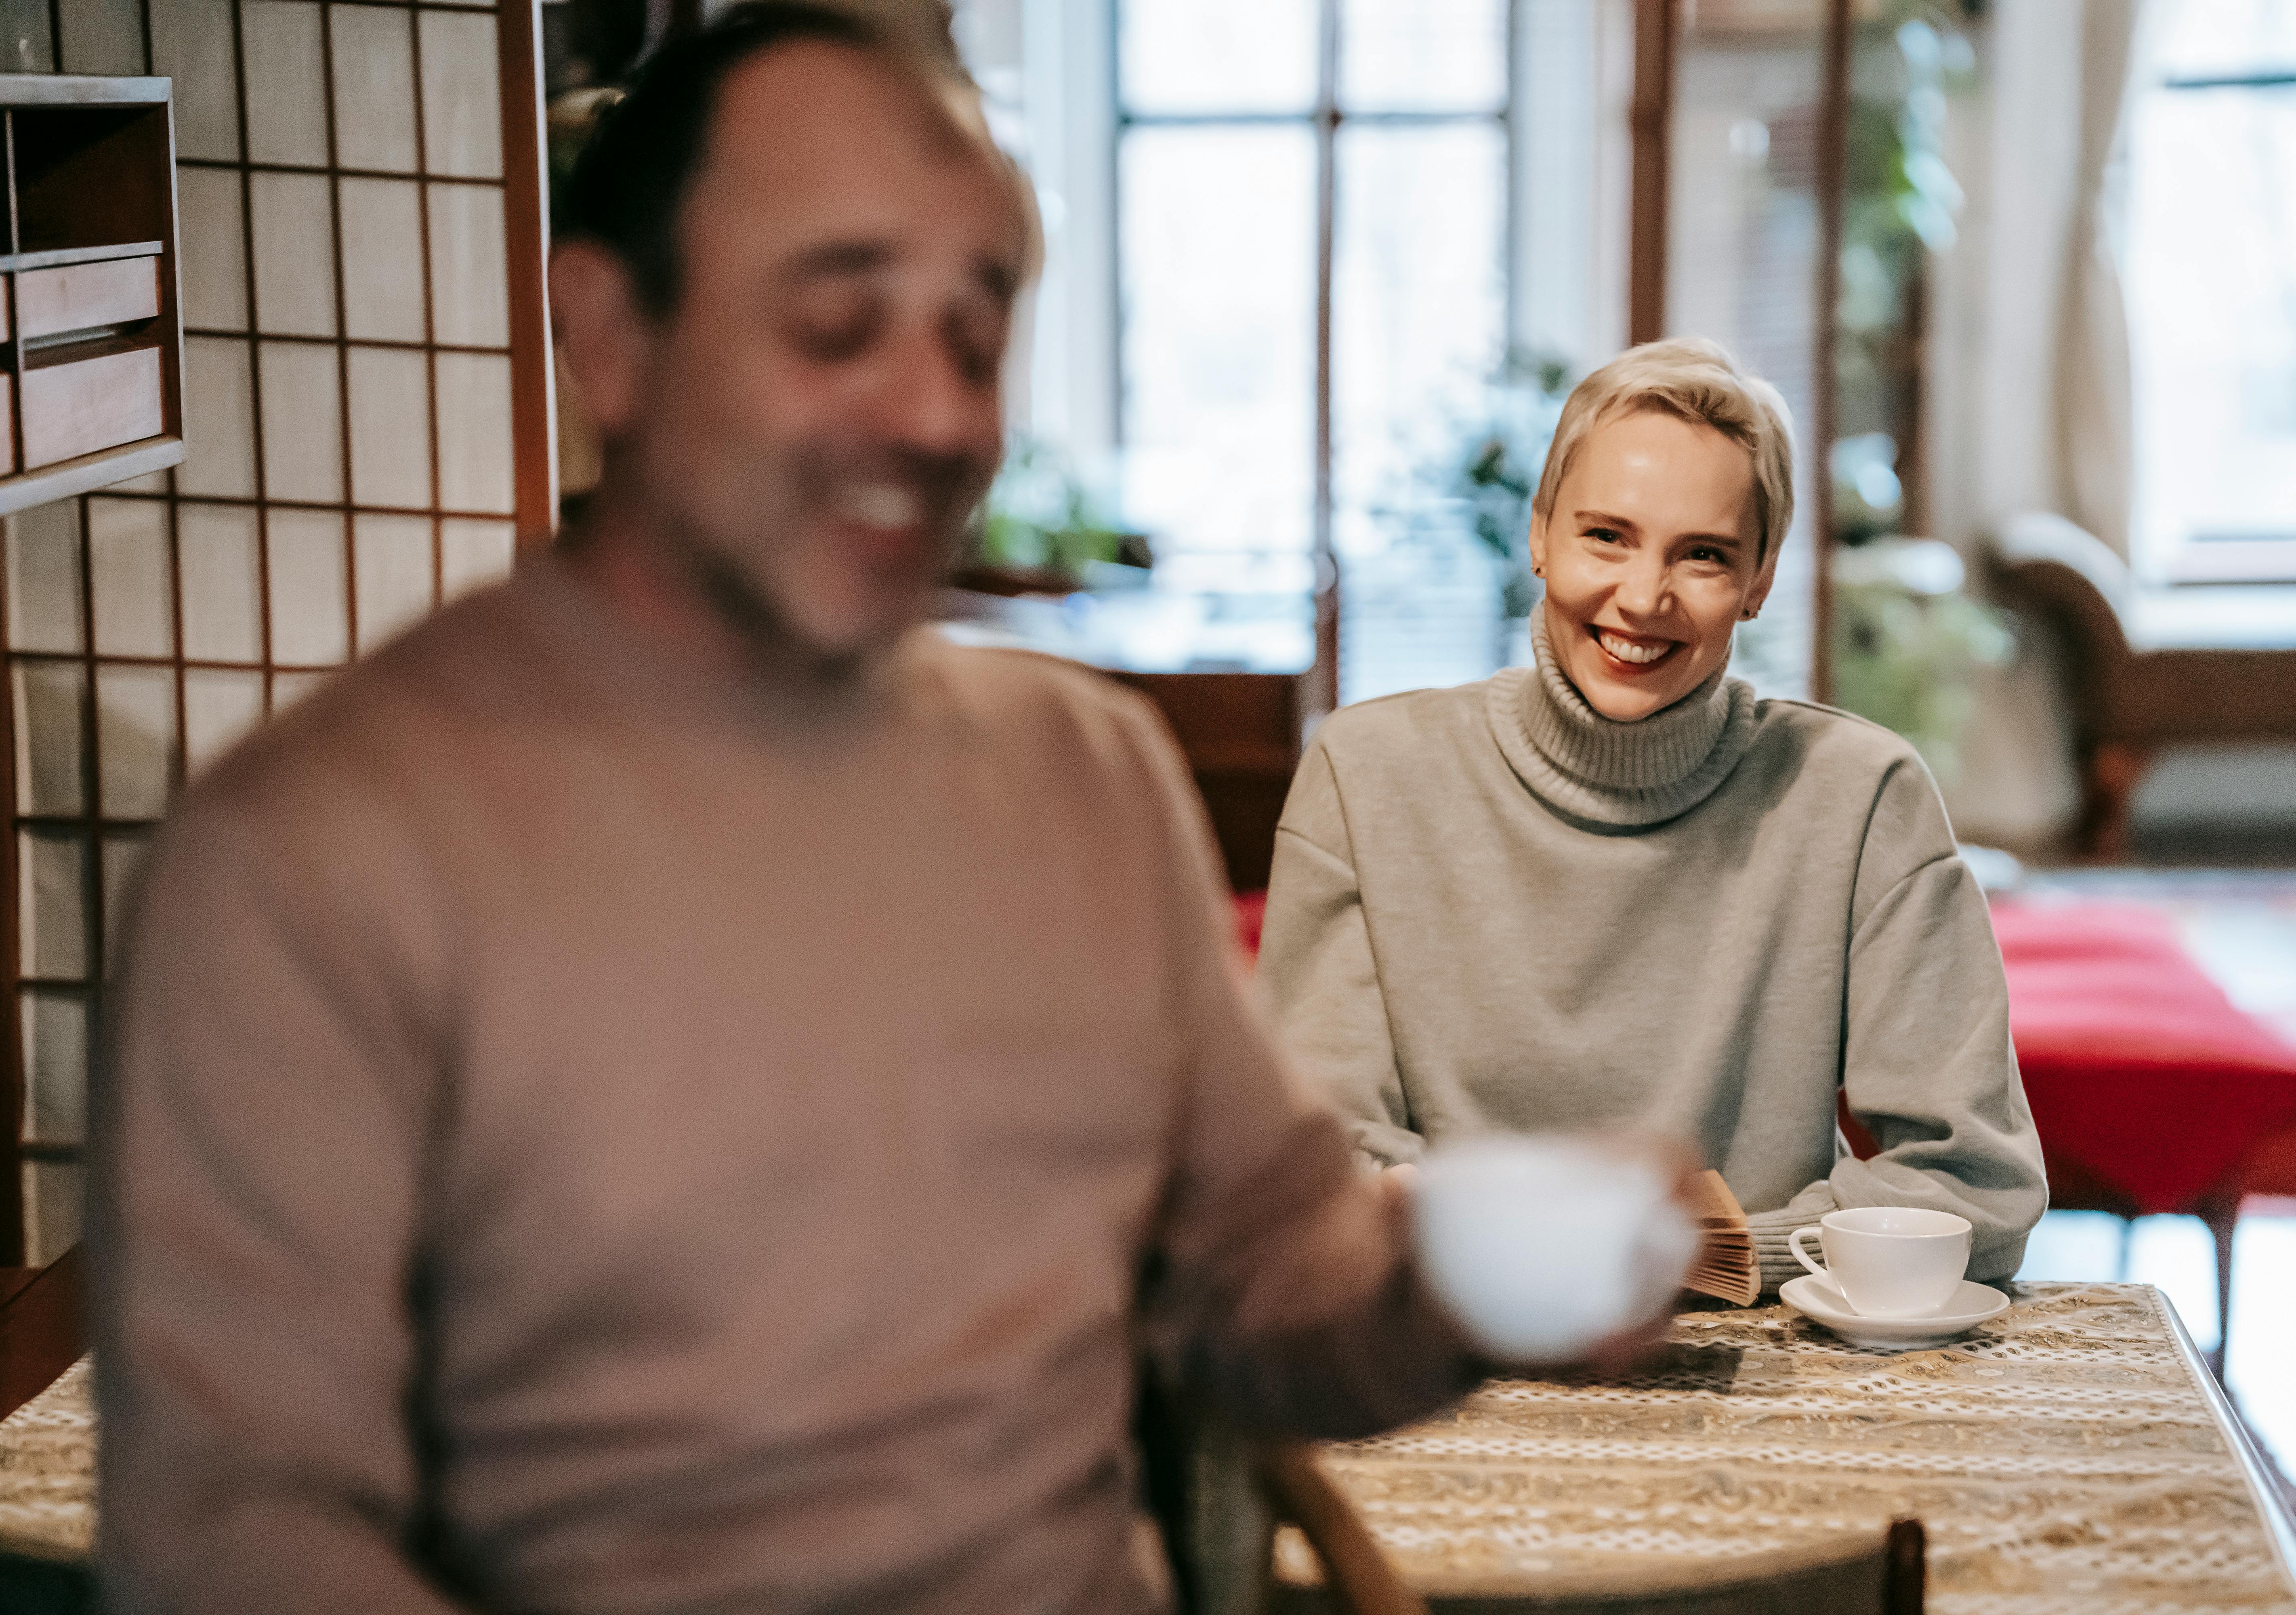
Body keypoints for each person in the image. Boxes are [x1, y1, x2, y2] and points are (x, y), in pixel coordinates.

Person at [90, 9, 1682, 1613]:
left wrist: (1464, 1268)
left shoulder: (1078, 769)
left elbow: (1266, 1281)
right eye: (841, 325)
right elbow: (241, 1532)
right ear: (608, 333)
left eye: (976, 339)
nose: (937, 418)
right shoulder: (317, 853)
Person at [1257, 338, 2047, 1297]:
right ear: (1540, 534)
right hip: (1440, 1332)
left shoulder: (1861, 796)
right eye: (1607, 536)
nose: (1643, 596)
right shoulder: (1364, 774)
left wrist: (1706, 1257)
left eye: (1704, 555)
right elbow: (1310, 1160)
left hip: (1763, 1354)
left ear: (1759, 580)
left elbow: (1977, 1187)